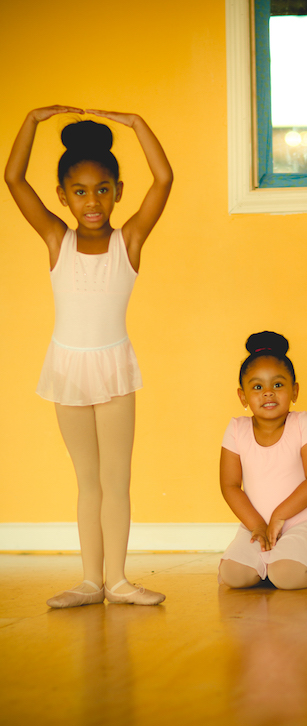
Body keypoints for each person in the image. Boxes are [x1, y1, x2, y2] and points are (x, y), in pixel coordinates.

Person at [5, 105, 174, 607]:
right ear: (63, 197)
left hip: (113, 366)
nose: (93, 201)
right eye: (79, 192)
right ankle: (89, 581)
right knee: (87, 480)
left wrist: (137, 123)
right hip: (68, 368)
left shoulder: (131, 241)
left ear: (119, 190)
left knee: (116, 478)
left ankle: (118, 580)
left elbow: (164, 179)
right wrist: (31, 122)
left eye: (103, 189)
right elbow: (13, 178)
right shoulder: (57, 240)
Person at [218, 331, 307, 590]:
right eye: (257, 387)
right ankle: (269, 562)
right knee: (233, 576)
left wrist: (279, 516)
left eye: (278, 385)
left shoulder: (302, 423)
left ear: (294, 391)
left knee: (287, 577)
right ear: (243, 396)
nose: (268, 393)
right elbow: (230, 485)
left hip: (301, 523)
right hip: (256, 526)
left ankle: (293, 563)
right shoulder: (236, 429)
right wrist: (257, 525)